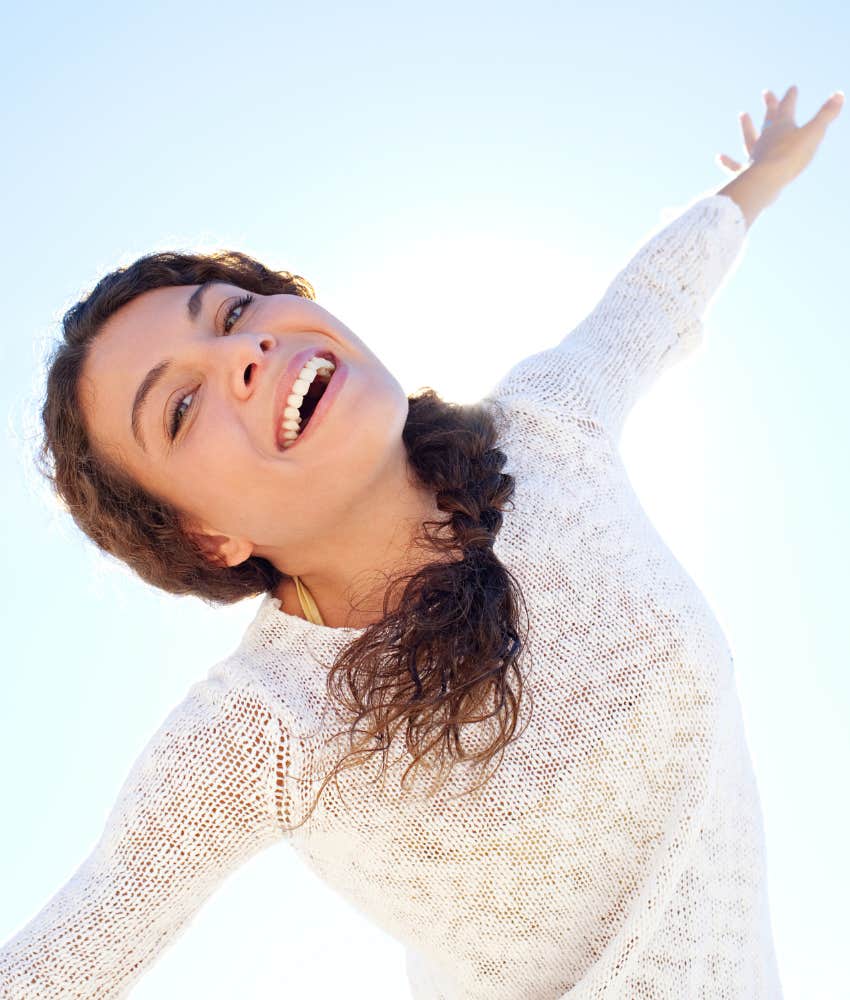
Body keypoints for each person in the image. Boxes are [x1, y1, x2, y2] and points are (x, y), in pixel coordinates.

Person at [0, 84, 842, 998]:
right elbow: (69, 954)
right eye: (183, 405)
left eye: (235, 313)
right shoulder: (268, 728)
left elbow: (656, 294)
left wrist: (762, 176)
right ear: (208, 538)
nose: (244, 353)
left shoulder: (548, 431)